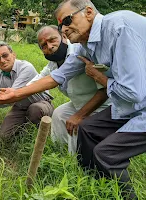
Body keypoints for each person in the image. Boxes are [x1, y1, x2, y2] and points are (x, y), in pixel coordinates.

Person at [0, 0, 145, 198]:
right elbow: (55, 77)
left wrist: (99, 77)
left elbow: (132, 93)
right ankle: (90, 179)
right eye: (61, 25)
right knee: (86, 129)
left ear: (89, 12)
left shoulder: (119, 28)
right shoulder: (84, 47)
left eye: (68, 21)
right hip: (124, 102)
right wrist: (14, 93)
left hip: (130, 103)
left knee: (107, 153)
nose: (65, 29)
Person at [28, 25, 109, 154]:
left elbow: (105, 91)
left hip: (103, 105)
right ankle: (59, 152)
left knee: (75, 125)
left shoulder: (81, 53)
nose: (49, 46)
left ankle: (75, 161)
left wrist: (79, 115)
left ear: (64, 36)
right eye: (43, 46)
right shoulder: (53, 64)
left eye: (52, 40)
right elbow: (36, 82)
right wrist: (10, 94)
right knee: (59, 113)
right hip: (80, 103)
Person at [0, 41, 54, 139]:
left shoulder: (26, 68)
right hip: (20, 107)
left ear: (13, 54)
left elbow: (13, 96)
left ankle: (35, 135)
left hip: (41, 103)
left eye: (5, 55)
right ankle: (21, 127)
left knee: (35, 110)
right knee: (2, 137)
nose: (2, 60)